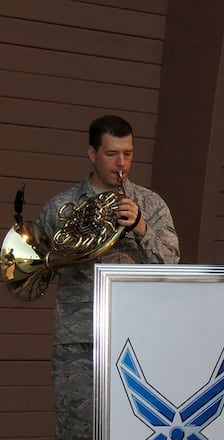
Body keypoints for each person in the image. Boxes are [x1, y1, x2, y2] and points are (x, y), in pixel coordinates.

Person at [36, 114, 180, 439]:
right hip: (79, 342)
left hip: (137, 340)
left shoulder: (150, 204)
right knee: (77, 430)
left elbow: (172, 265)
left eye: (128, 153)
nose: (122, 163)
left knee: (135, 429)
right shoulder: (62, 206)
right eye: (112, 153)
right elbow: (37, 263)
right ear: (92, 153)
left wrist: (142, 228)